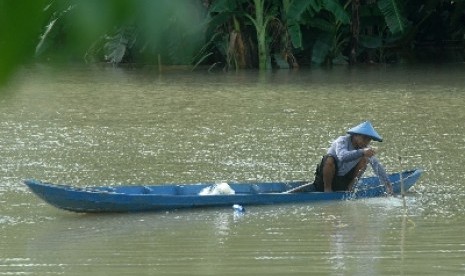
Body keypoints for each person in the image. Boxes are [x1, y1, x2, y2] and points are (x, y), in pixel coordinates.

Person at [312, 121, 393, 194]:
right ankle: (328, 191)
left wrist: (388, 185)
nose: (366, 142)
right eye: (364, 138)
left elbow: (376, 166)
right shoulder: (342, 141)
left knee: (365, 159)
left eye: (368, 140)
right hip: (324, 181)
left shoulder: (365, 148)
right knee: (329, 159)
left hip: (343, 181)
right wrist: (362, 152)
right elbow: (342, 156)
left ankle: (350, 189)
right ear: (355, 135)